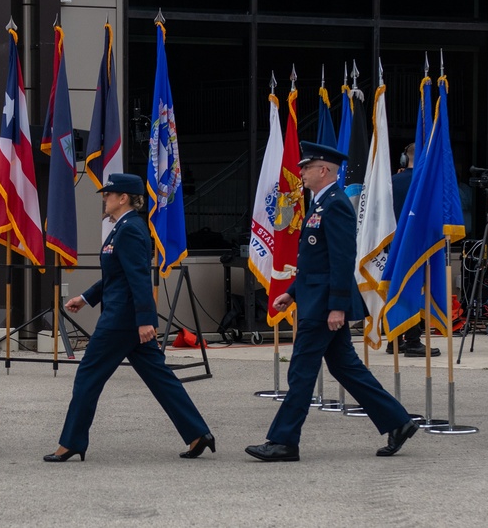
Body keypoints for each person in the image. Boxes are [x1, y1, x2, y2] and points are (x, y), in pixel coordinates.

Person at [245, 142, 418, 462]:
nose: (301, 172)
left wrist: (337, 306)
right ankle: (398, 421)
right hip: (314, 298)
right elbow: (315, 259)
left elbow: (342, 259)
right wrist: (293, 291)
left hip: (324, 305)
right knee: (346, 368)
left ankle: (284, 441)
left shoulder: (335, 204)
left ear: (323, 170)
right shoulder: (321, 203)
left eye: (306, 167)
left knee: (300, 372)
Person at [45, 173, 215, 462]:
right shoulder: (122, 228)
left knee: (87, 376)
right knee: (160, 378)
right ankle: (198, 433)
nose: (104, 198)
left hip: (122, 321)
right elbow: (116, 276)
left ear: (123, 198)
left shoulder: (131, 230)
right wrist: (86, 298)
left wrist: (145, 320)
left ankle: (71, 442)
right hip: (127, 319)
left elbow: (138, 278)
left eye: (108, 194)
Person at [387, 143, 440, 357]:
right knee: (412, 291)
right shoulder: (427, 185)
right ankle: (412, 341)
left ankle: (393, 339)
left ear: (403, 159)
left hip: (392, 244)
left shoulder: (392, 181)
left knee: (395, 289)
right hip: (418, 246)